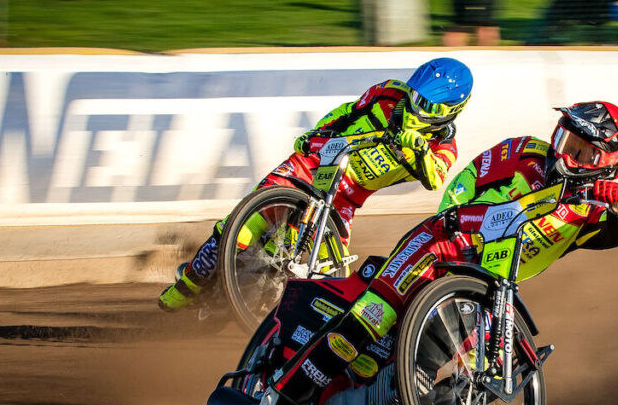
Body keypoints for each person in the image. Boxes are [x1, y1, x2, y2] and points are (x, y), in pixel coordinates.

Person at [252, 101, 618, 405]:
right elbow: (466, 179)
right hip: (438, 246)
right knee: (367, 322)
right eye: (565, 140)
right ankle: (274, 401)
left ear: (607, 164)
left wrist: (617, 204)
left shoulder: (592, 211)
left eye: (582, 152)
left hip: (488, 287)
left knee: (469, 368)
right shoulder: (524, 151)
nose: (564, 155)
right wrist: (456, 216)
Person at [157, 58, 474, 313]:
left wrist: (419, 148)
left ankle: (272, 312)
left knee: (331, 280)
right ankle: (188, 285)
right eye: (415, 97)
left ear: (450, 111)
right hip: (316, 164)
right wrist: (315, 133)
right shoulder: (389, 93)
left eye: (427, 106)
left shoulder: (443, 148)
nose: (415, 107)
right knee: (238, 229)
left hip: (346, 199)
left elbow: (435, 179)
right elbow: (348, 111)